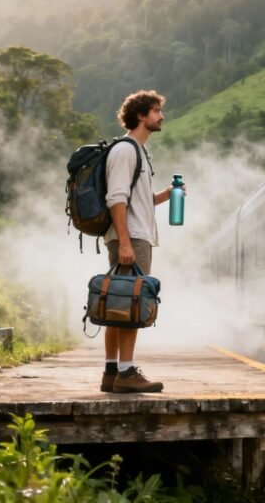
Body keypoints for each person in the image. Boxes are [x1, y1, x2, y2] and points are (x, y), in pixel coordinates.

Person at [100, 89, 182, 393]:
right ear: (140, 116)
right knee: (131, 303)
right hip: (131, 237)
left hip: (133, 235)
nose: (161, 116)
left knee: (119, 303)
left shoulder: (139, 153)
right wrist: (124, 242)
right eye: (156, 111)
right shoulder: (126, 151)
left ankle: (112, 373)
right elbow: (116, 199)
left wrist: (164, 196)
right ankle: (126, 373)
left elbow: (137, 199)